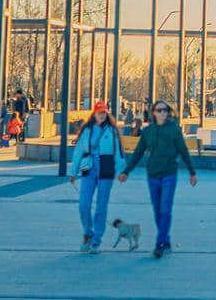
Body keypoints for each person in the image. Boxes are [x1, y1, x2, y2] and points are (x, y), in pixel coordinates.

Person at [119, 102, 198, 257]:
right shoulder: (148, 131)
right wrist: (126, 172)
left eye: (165, 110)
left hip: (169, 174)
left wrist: (192, 172)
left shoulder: (174, 130)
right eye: (159, 110)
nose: (163, 113)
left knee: (166, 209)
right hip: (153, 175)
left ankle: (159, 243)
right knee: (157, 211)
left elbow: (183, 151)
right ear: (153, 113)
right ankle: (166, 240)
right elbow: (138, 153)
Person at [68, 100, 124, 254]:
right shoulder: (87, 131)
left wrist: (121, 171)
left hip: (106, 169)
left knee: (101, 206)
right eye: (99, 112)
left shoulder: (112, 131)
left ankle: (96, 240)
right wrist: (73, 172)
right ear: (94, 113)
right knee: (84, 204)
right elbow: (79, 151)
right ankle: (88, 233)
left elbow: (118, 153)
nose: (102, 115)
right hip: (89, 169)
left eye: (104, 112)